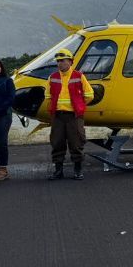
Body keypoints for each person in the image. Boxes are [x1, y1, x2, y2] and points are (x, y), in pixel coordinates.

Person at [45, 48, 94, 180]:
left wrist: (79, 105)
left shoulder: (79, 76)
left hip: (74, 116)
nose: (60, 63)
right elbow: (48, 96)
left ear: (70, 62)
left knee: (76, 143)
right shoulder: (52, 77)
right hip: (58, 116)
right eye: (58, 61)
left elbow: (90, 95)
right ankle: (58, 171)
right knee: (57, 143)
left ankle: (78, 170)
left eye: (62, 61)